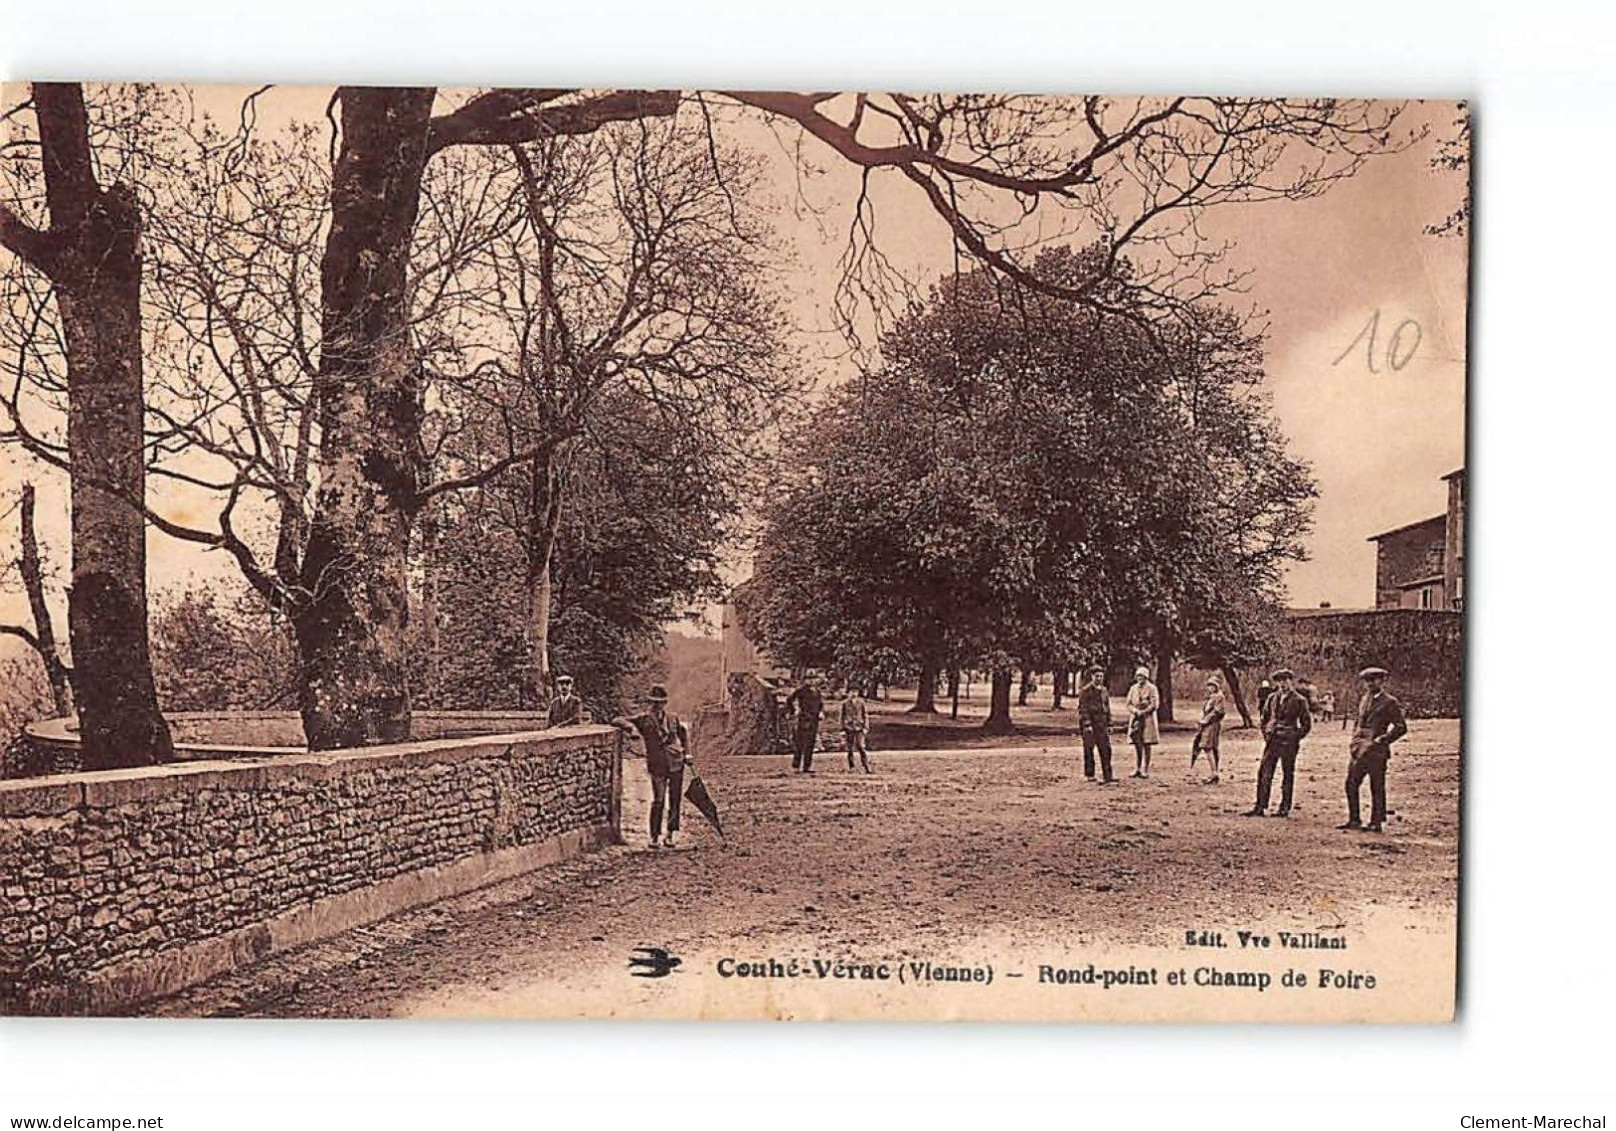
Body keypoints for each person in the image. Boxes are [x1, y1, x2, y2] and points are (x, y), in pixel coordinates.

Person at [612, 685, 691, 849]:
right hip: (657, 765)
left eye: (661, 702)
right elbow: (617, 719)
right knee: (659, 800)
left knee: (675, 800)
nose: (657, 705)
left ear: (665, 703)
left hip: (676, 762)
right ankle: (654, 836)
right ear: (649, 702)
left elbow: (684, 735)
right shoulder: (643, 719)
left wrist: (687, 753)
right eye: (654, 702)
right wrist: (631, 728)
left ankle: (670, 834)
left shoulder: (673, 718)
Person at [1339, 666, 1408, 834]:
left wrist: (1382, 740)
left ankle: (1376, 822)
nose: (1369, 684)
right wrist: (1355, 739)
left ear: (1382, 681)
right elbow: (1359, 723)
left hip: (1377, 752)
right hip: (1359, 749)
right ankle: (1354, 819)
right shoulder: (1364, 699)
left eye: (1373, 680)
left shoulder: (1390, 702)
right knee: (1350, 784)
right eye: (1367, 681)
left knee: (1376, 787)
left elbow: (1401, 727)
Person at [1245, 667, 1312, 818]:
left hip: (1289, 741)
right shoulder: (1272, 698)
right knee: (1264, 773)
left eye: (1285, 680)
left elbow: (1306, 725)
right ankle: (1260, 806)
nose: (1282, 684)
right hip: (1272, 740)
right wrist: (1266, 733)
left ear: (1291, 681)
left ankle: (1284, 807)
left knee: (1287, 774)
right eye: (1279, 681)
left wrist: (1295, 737)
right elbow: (1264, 718)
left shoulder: (1299, 700)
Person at [1076, 665, 1115, 784]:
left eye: (1101, 676)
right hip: (1090, 725)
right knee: (1089, 749)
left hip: (1102, 724)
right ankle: (1090, 774)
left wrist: (1110, 724)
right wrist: (1087, 724)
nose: (1099, 678)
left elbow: (1107, 708)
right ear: (1092, 676)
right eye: (1097, 676)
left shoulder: (1104, 690)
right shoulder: (1085, 691)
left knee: (1106, 749)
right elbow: (1083, 709)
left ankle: (1108, 775)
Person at [1125, 666, 1160, 779]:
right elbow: (1128, 703)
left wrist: (1144, 711)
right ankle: (1137, 767)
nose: (1140, 678)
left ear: (1146, 677)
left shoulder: (1152, 688)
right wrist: (1135, 711)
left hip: (1147, 719)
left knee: (1147, 743)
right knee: (1137, 743)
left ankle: (1145, 768)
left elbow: (1154, 704)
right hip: (1136, 718)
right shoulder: (1133, 688)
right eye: (1138, 676)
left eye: (1143, 676)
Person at [1191, 675, 1227, 784]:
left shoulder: (1219, 697)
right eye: (1209, 685)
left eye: (1213, 685)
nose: (1210, 688)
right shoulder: (1211, 696)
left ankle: (1214, 773)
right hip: (1208, 724)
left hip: (1212, 724)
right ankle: (1214, 772)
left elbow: (1217, 712)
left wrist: (1205, 720)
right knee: (1210, 747)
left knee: (1207, 747)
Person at [785, 674, 825, 773]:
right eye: (809, 679)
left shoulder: (817, 691)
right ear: (805, 680)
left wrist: (820, 712)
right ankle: (796, 766)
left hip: (814, 720)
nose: (811, 681)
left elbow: (820, 704)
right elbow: (789, 700)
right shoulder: (801, 691)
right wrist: (793, 710)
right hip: (804, 719)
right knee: (800, 743)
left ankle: (807, 766)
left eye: (813, 679)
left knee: (810, 744)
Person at [840, 683, 872, 773]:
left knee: (861, 746)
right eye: (852, 692)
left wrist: (866, 727)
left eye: (855, 692)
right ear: (848, 693)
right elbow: (842, 717)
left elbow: (865, 715)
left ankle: (866, 766)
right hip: (849, 728)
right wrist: (842, 729)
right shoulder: (845, 703)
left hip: (859, 727)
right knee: (850, 748)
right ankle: (852, 767)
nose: (854, 694)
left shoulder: (861, 703)